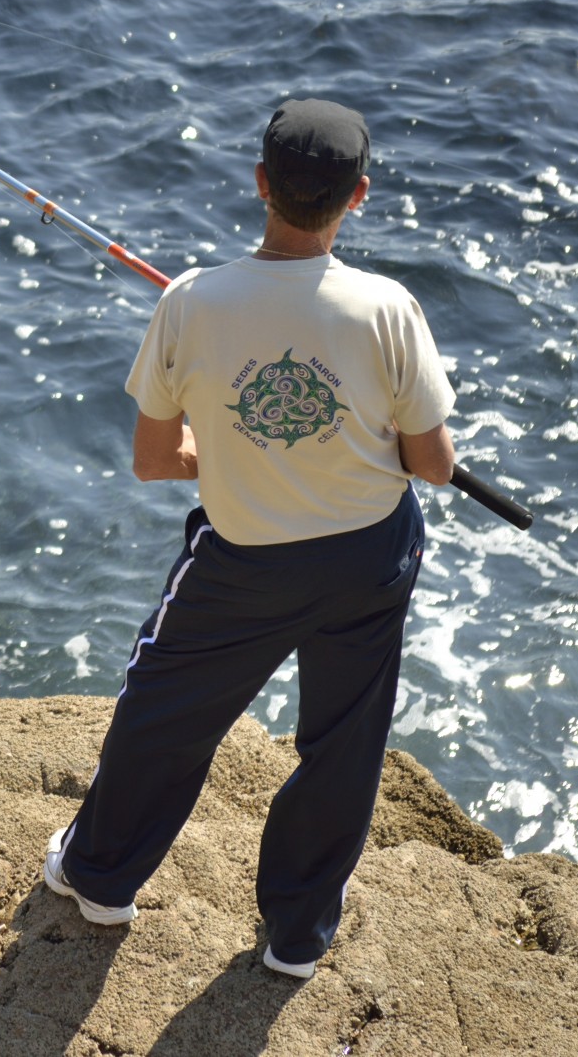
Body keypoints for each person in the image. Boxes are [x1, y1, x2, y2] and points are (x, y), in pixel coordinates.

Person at [41, 98, 457, 981]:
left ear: (261, 184)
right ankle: (297, 938)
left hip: (245, 564)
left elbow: (157, 461)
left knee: (163, 712)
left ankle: (101, 878)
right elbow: (430, 464)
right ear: (360, 197)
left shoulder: (191, 302)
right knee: (344, 740)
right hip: (366, 558)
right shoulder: (390, 308)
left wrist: (232, 446)